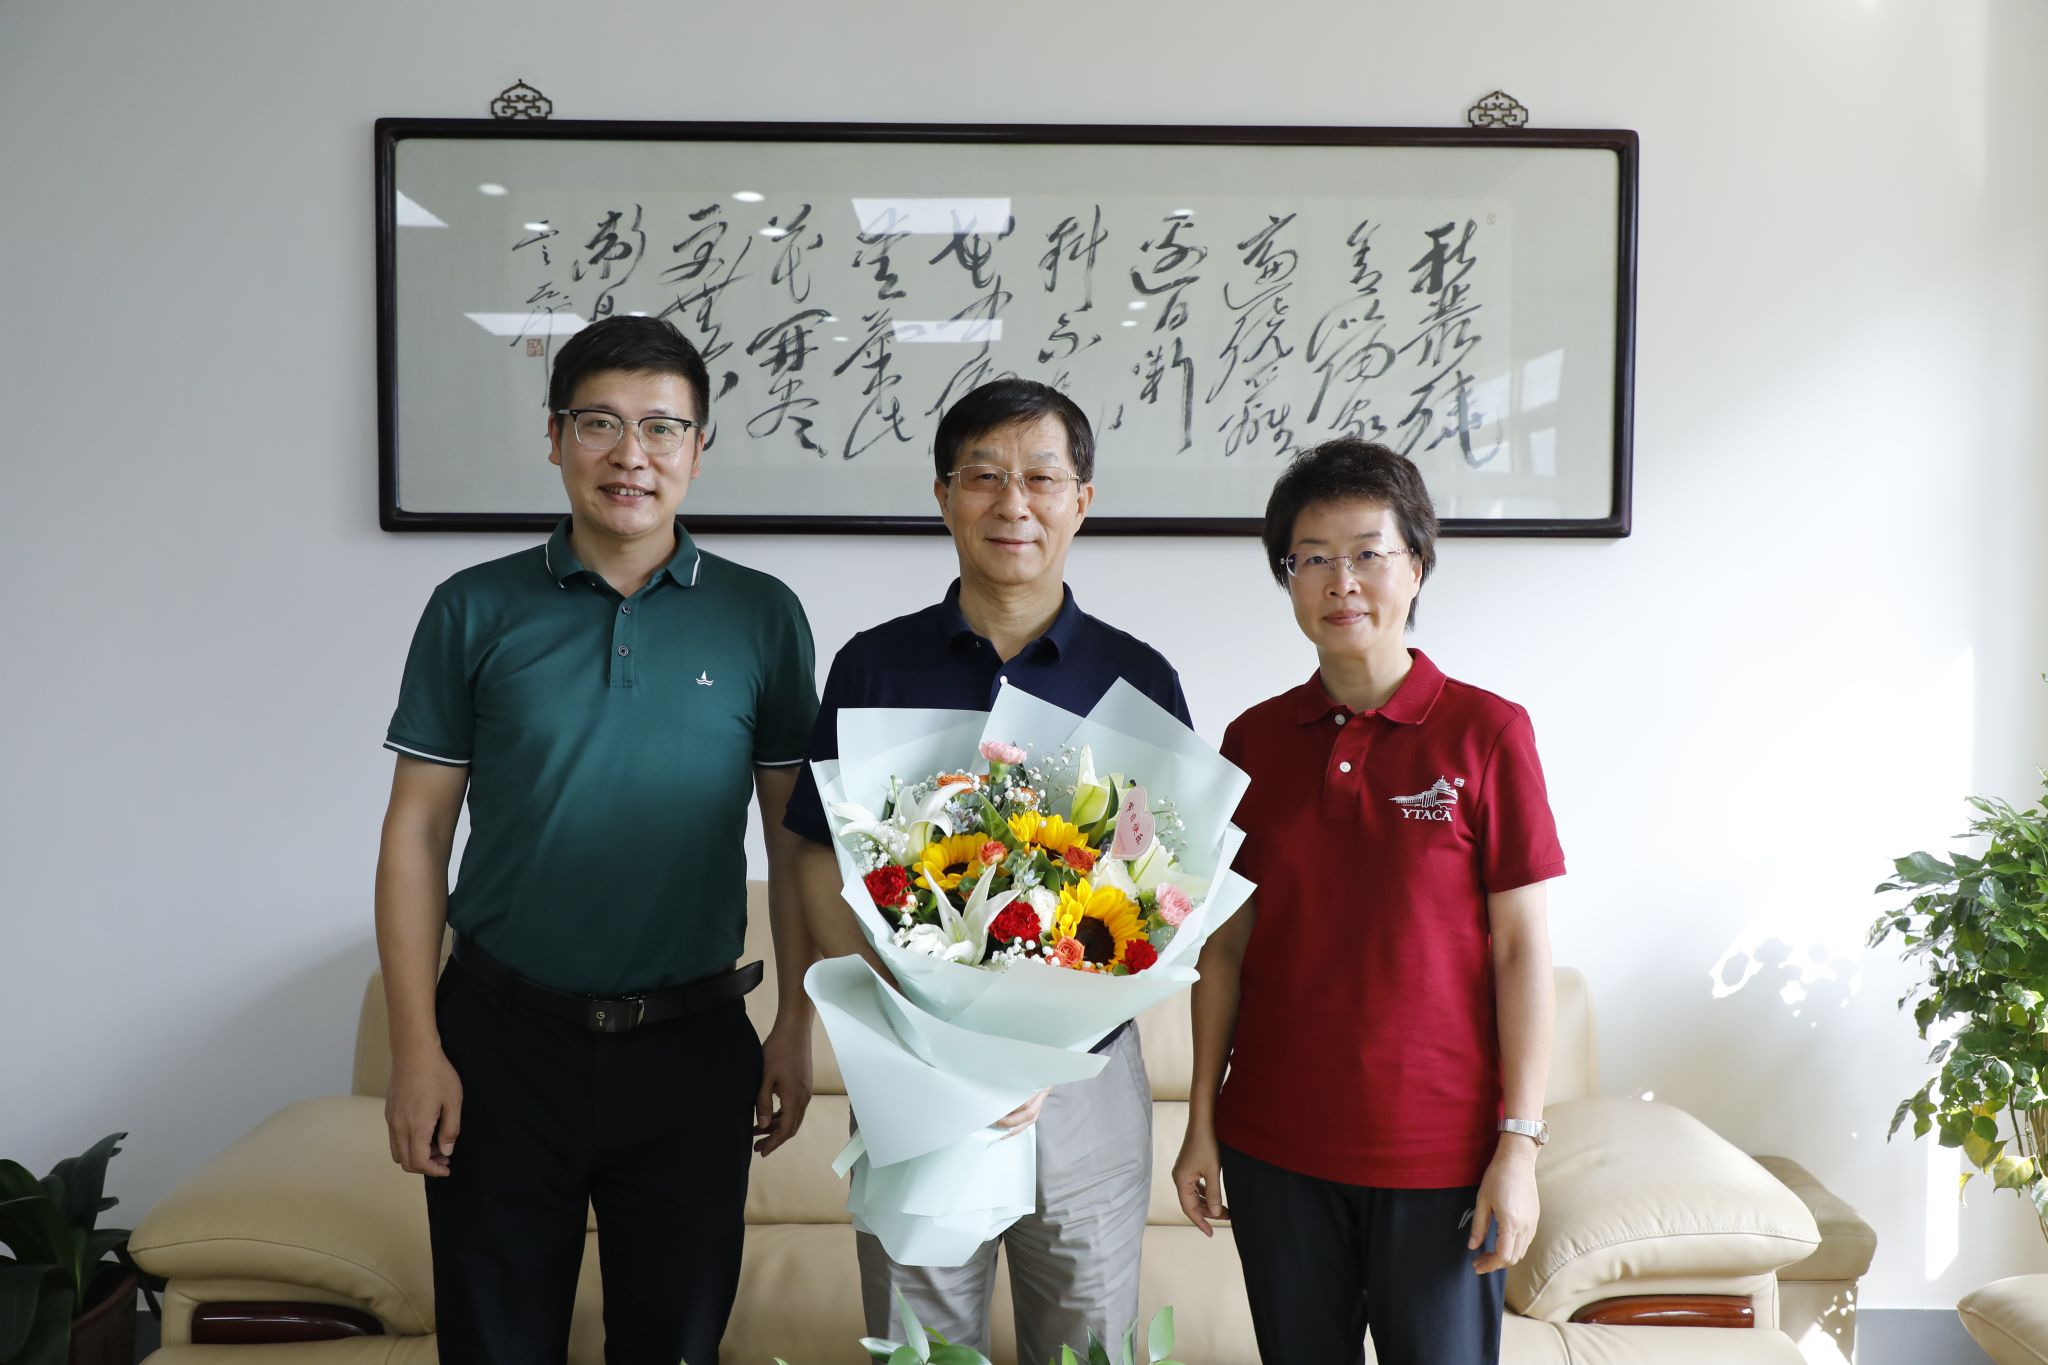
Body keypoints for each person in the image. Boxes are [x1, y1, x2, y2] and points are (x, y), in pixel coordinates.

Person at [374, 315, 820, 1365]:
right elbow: (415, 835)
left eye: (662, 428)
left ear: (699, 449)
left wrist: (796, 1023)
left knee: (675, 1344)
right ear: (554, 437)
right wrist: (416, 1048)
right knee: (493, 1346)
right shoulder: (472, 608)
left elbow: (794, 842)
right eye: (600, 424)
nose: (632, 455)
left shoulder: (762, 616)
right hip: (498, 1039)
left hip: (692, 1046)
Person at [785, 377, 1189, 1365]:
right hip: (913, 1063)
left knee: (1088, 1346)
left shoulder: (1138, 678)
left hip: (1084, 1079)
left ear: (1080, 500)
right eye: (983, 477)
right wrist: (919, 1030)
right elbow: (815, 860)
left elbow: (1167, 890)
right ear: (943, 496)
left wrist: (1042, 1050)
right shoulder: (874, 669)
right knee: (920, 1345)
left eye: (1041, 478)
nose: (1014, 503)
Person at [1172, 439, 1565, 1365]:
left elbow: (1521, 951)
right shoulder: (1253, 740)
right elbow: (1226, 946)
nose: (1340, 581)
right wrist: (1201, 1121)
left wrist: (1519, 1146)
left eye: (1367, 552)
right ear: (1288, 578)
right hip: (1276, 1149)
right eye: (1312, 557)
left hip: (1439, 1157)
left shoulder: (1488, 732)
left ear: (1415, 565)